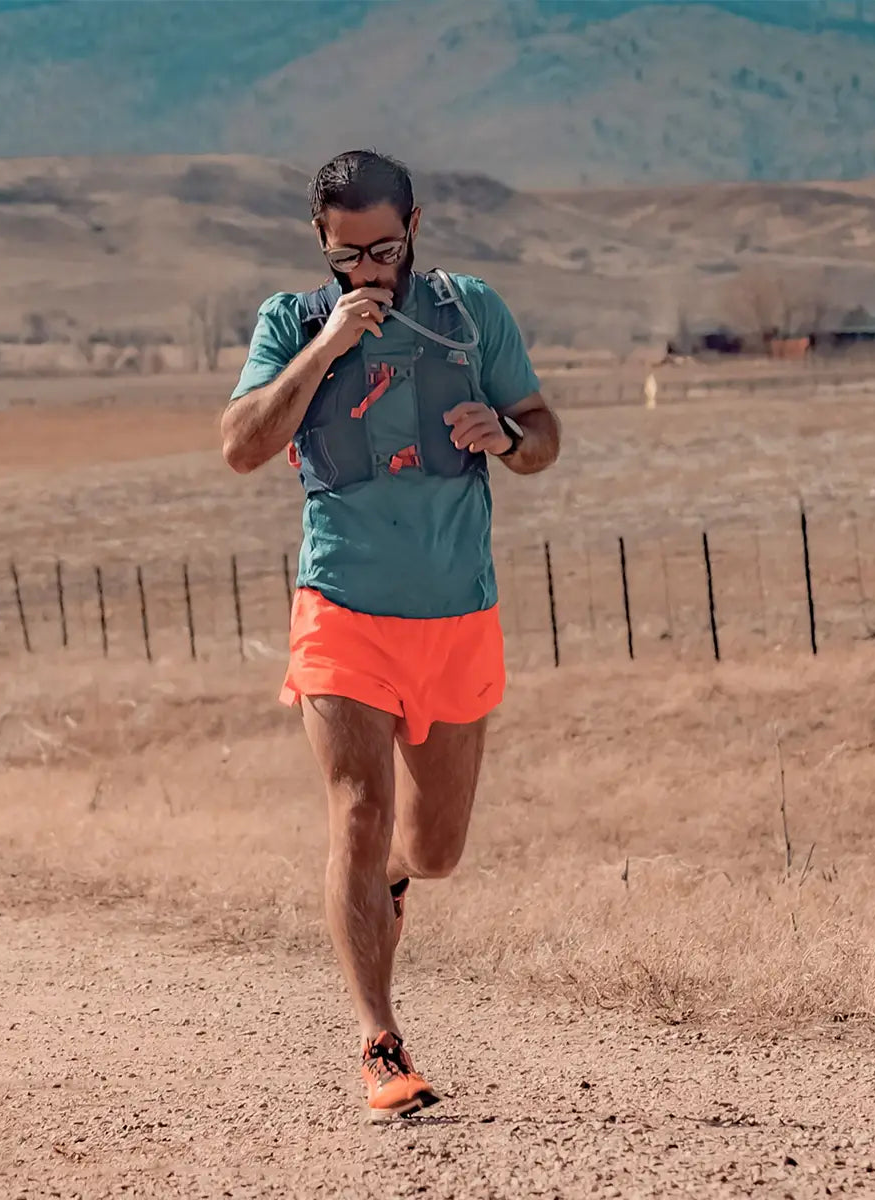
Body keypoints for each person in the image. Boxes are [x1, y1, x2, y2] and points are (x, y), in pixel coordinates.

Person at [220, 149, 561, 1121]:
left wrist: (505, 435)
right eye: (349, 253)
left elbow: (542, 434)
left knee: (434, 848)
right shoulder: (290, 323)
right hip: (342, 611)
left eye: (387, 247)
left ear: (418, 223)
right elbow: (242, 446)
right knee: (357, 815)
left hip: (457, 614)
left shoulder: (470, 313)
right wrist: (325, 348)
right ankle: (380, 1043)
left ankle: (396, 883)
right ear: (319, 243)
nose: (370, 268)